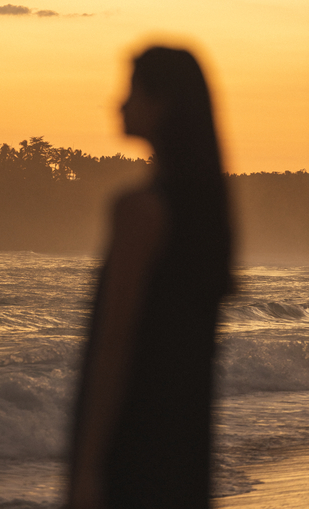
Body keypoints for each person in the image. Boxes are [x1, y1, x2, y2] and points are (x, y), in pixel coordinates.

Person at [68, 46, 231, 509]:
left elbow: (115, 344)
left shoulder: (140, 211)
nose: (118, 104)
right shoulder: (206, 219)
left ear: (161, 104)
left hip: (130, 448)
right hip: (183, 449)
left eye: (132, 91)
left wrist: (89, 468)